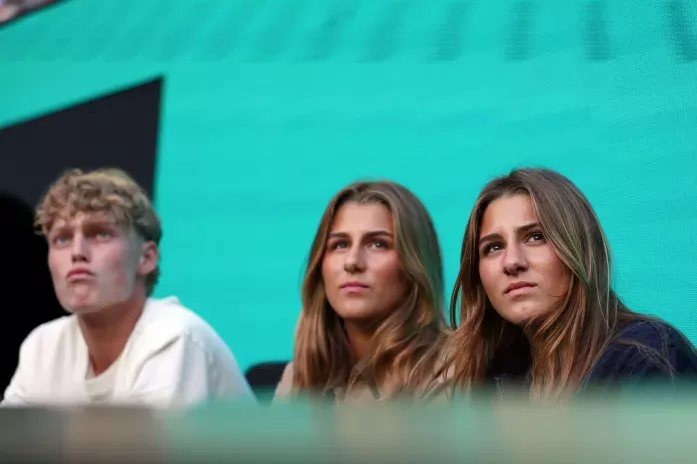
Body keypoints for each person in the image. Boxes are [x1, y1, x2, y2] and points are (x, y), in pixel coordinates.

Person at [2, 168, 254, 408]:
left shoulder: (174, 338)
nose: (77, 252)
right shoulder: (43, 346)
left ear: (147, 258)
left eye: (101, 234)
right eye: (62, 239)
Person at [446, 168, 697, 402]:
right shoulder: (496, 374)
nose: (512, 262)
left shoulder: (647, 358)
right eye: (494, 247)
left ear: (581, 249)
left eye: (536, 236)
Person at [274, 181, 448, 403]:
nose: (352, 262)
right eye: (340, 244)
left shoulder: (455, 370)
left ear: (415, 264)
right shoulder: (298, 376)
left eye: (378, 244)